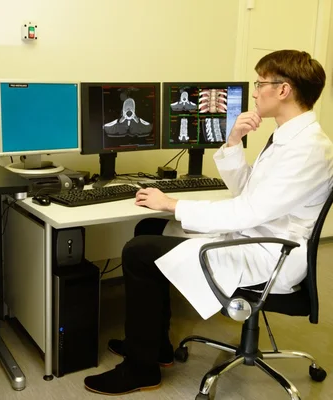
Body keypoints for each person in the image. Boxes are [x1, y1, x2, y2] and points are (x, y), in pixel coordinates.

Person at [84, 49, 333, 396]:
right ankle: (155, 346)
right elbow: (248, 193)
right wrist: (233, 142)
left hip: (269, 254)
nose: (256, 90)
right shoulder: (288, 137)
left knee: (139, 251)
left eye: (261, 83)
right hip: (256, 234)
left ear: (284, 90)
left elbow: (248, 211)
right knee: (149, 230)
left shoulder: (308, 149)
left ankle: (141, 369)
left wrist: (173, 203)